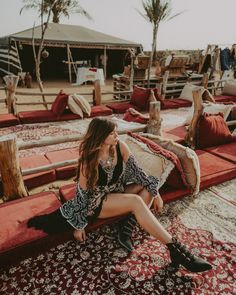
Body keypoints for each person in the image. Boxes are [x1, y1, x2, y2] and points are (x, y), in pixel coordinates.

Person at [28, 117, 212, 273]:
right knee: (135, 201)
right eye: (112, 133)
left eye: (116, 132)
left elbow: (138, 172)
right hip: (96, 201)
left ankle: (127, 225)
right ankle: (176, 250)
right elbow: (82, 194)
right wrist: (79, 224)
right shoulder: (88, 160)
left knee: (150, 184)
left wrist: (155, 194)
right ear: (101, 137)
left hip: (116, 190)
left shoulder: (120, 147)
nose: (117, 136)